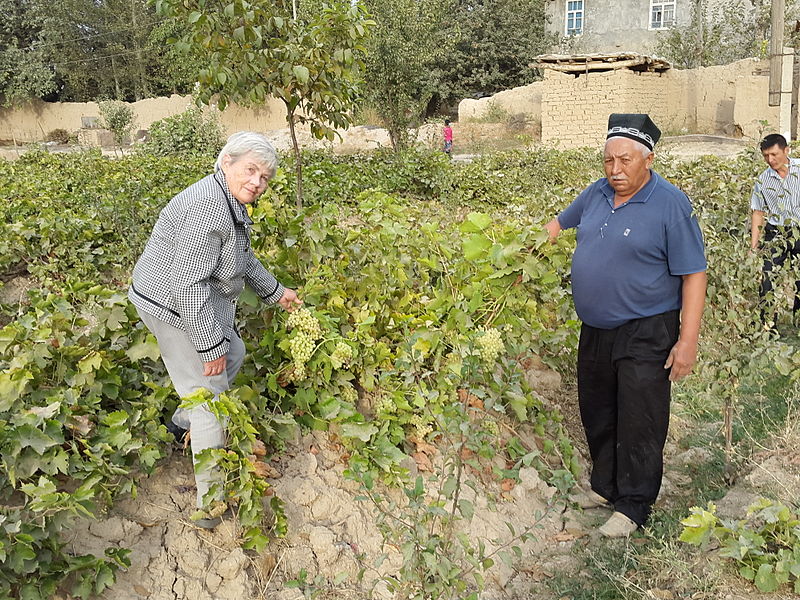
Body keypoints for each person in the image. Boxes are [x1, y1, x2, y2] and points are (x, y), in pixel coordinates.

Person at [544, 114, 707, 537]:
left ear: (648, 159)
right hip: (596, 327)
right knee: (599, 409)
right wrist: (523, 249)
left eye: (625, 161)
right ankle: (606, 487)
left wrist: (687, 341)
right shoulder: (597, 191)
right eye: (608, 161)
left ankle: (634, 506)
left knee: (640, 416)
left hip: (648, 328)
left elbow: (694, 274)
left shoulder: (670, 203)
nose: (615, 171)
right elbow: (558, 225)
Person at [129, 131, 302, 528]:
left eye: (264, 177)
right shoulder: (209, 206)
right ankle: (211, 505)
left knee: (235, 353)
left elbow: (242, 257)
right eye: (250, 170)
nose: (257, 182)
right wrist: (209, 347)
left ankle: (179, 424)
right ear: (226, 163)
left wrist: (276, 293)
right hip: (171, 306)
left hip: (188, 300)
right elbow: (188, 286)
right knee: (211, 401)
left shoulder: (229, 202)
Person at [749, 133, 800, 320]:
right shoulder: (763, 180)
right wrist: (753, 247)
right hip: (776, 231)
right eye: (766, 156)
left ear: (786, 151)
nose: (770, 160)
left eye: (774, 154)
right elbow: (758, 212)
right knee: (768, 278)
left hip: (799, 230)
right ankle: (768, 325)